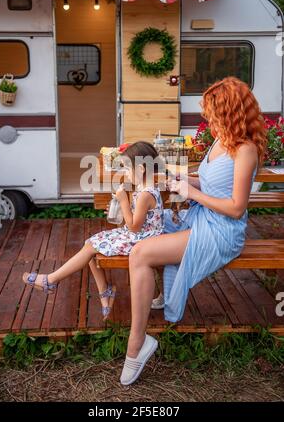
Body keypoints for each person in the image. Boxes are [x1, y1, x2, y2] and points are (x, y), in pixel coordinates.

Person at [120, 76, 267, 386]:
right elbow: (209, 181)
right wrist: (174, 181)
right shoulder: (221, 141)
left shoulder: (245, 151)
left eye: (212, 113)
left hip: (222, 230)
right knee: (147, 238)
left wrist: (191, 193)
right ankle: (150, 310)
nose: (207, 119)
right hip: (203, 218)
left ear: (230, 112)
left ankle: (137, 343)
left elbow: (237, 208)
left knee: (141, 253)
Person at [22, 141, 164, 321]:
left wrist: (123, 202)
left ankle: (50, 280)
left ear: (142, 169)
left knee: (90, 247)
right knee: (91, 244)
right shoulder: (145, 188)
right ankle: (105, 292)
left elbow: (135, 226)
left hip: (142, 241)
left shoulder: (145, 194)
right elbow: (139, 221)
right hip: (140, 235)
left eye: (128, 168)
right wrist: (123, 210)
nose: (126, 173)